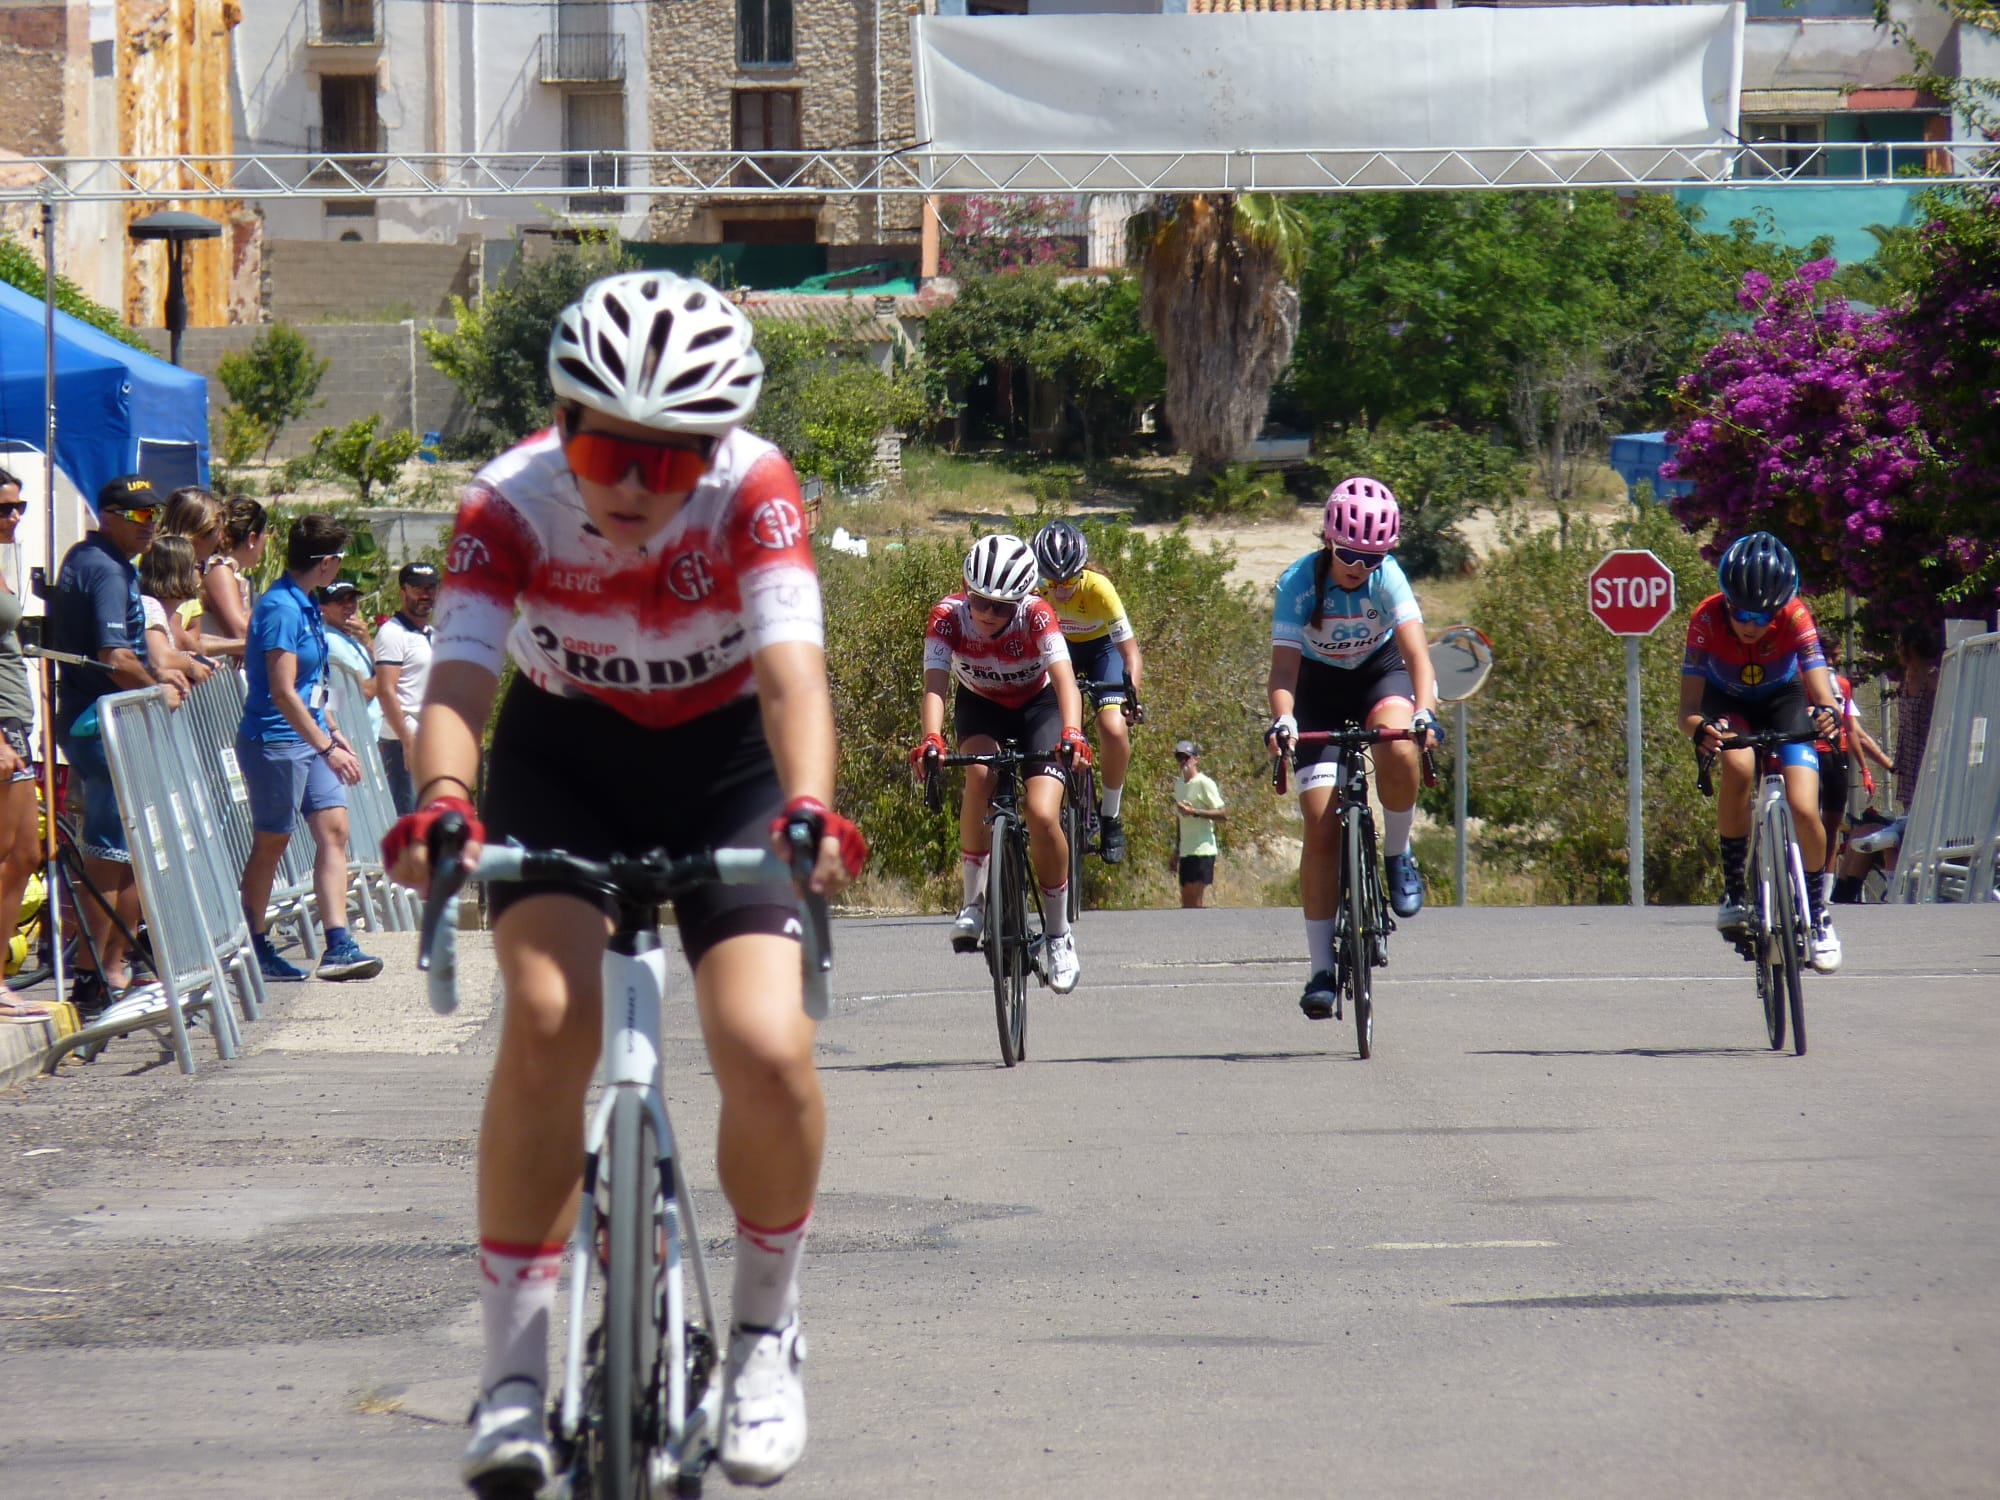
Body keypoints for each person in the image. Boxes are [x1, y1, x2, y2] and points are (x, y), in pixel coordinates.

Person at [377, 270, 868, 1495]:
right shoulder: (506, 501)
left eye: (673, 455)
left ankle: (764, 1334)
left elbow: (793, 674)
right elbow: (459, 688)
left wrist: (809, 806)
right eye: (607, 446)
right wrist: (442, 802)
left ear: (715, 443)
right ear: (561, 425)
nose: (638, 484)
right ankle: (509, 1376)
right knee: (545, 1021)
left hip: (728, 768)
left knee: (764, 1043)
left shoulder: (752, 488)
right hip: (567, 759)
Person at [1266, 477, 1441, 1022]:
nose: (1359, 567)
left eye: (1372, 557)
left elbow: (1418, 659)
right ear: (1328, 540)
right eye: (1348, 554)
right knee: (1319, 826)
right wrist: (1284, 720)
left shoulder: (1387, 578)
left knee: (1399, 749)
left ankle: (1397, 854)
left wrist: (1424, 711)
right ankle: (1320, 968)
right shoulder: (1298, 582)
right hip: (1315, 688)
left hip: (1377, 676)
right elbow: (1284, 670)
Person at [914, 533, 1089, 994]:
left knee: (1043, 812)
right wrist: (931, 739)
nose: (988, 614)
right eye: (980, 601)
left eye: (1002, 607)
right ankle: (973, 900)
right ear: (965, 589)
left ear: (1023, 600)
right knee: (978, 773)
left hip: (1040, 708)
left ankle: (1057, 935)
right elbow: (935, 685)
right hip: (981, 706)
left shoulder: (1037, 614)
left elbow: (1066, 684)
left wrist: (1072, 731)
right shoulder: (947, 617)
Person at [50, 475, 190, 1020]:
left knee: (129, 850)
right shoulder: (105, 568)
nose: (149, 526)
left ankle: (115, 968)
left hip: (94, 719)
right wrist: (159, 686)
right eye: (138, 517)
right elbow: (115, 656)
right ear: (108, 516)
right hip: (97, 724)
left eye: (154, 515)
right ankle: (94, 976)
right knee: (110, 853)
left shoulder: (96, 559)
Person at [1679, 531, 1844, 971]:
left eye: (1763, 614)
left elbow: (1821, 689)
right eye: (1742, 612)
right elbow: (1688, 711)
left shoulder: (1795, 615)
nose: (1751, 624)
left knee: (1805, 807)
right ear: (1726, 601)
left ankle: (1819, 915)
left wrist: (1828, 713)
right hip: (1726, 703)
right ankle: (1735, 889)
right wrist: (1701, 731)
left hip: (1784, 699)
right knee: (1738, 765)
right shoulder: (1706, 619)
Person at [235, 513, 381, 986]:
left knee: (334, 829)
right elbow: (282, 691)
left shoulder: (307, 604)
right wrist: (327, 747)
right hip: (277, 741)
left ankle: (338, 942)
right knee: (273, 841)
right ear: (326, 564)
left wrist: (333, 731)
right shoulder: (280, 608)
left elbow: (313, 684)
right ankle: (254, 944)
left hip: (312, 738)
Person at [1032, 520, 1143, 863]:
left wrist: (1131, 697)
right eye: (1052, 582)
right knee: (1055, 727)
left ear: (1082, 571)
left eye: (1068, 581)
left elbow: (1130, 653)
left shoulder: (1099, 589)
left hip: (1101, 652)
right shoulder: (1034, 590)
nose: (1061, 589)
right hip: (1058, 649)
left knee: (1112, 728)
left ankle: (1110, 816)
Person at [1832, 620, 1939, 902]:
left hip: (1929, 764)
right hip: (1910, 765)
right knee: (1902, 823)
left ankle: (1899, 892)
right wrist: (1892, 764)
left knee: (1908, 830)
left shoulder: (1933, 681)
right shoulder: (1907, 681)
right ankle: (1847, 898)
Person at [0, 469, 47, 1017]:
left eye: (19, 507)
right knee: (17, 852)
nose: (13, 517)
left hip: (15, 726)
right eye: (2, 508)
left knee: (23, 852)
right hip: (1, 730)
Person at [373, 560, 438, 815]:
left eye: (430, 588)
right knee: (410, 824)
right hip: (403, 739)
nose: (425, 594)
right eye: (418, 588)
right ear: (403, 592)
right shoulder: (392, 633)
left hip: (429, 736)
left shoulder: (431, 633)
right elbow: (386, 690)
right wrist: (408, 741)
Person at [138, 537, 218, 688]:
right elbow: (161, 658)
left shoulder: (165, 613)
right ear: (179, 573)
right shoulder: (151, 606)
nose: (201, 573)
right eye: (196, 566)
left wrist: (190, 658)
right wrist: (191, 664)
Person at [201, 495, 268, 658]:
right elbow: (241, 632)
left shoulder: (228, 571)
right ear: (252, 538)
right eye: (265, 535)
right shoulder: (219, 570)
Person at [319, 581, 384, 746]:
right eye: (341, 602)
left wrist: (368, 642)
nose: (348, 606)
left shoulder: (351, 637)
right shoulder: (331, 641)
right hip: (356, 738)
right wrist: (387, 674)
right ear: (324, 609)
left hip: (365, 733)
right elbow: (364, 692)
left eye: (352, 600)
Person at [1172, 740, 1226, 909]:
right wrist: (1176, 850)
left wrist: (1194, 812)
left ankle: (1201, 933)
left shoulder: (1204, 783)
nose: (1182, 762)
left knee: (1195, 896)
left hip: (1203, 849)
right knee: (1187, 901)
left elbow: (1223, 814)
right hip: (1186, 850)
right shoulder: (1179, 784)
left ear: (1195, 759)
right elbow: (1180, 820)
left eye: (1186, 758)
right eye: (1179, 758)